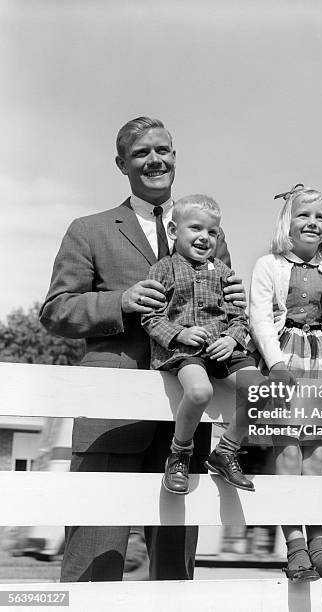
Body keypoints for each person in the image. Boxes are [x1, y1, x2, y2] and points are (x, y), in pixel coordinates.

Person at [39, 117, 246, 582]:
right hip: (112, 416)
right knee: (94, 559)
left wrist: (236, 310)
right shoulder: (88, 230)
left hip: (185, 422)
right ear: (122, 164)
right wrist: (120, 301)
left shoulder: (209, 232)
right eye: (141, 153)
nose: (155, 160)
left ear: (175, 157)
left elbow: (225, 311)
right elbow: (55, 310)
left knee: (175, 566)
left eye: (164, 150)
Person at [248, 186, 322, 582]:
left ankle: (320, 548)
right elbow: (260, 318)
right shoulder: (268, 265)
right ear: (287, 223)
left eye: (321, 218)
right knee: (289, 452)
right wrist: (275, 362)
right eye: (303, 216)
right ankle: (295, 548)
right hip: (285, 363)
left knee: (316, 457)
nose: (313, 223)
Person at [141, 194, 266, 495]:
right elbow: (150, 317)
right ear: (174, 232)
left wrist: (231, 338)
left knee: (263, 390)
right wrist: (179, 334)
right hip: (184, 352)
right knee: (199, 392)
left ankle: (226, 451)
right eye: (195, 228)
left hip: (222, 350)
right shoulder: (163, 269)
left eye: (212, 232)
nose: (204, 237)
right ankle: (180, 453)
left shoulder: (222, 272)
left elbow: (239, 317)